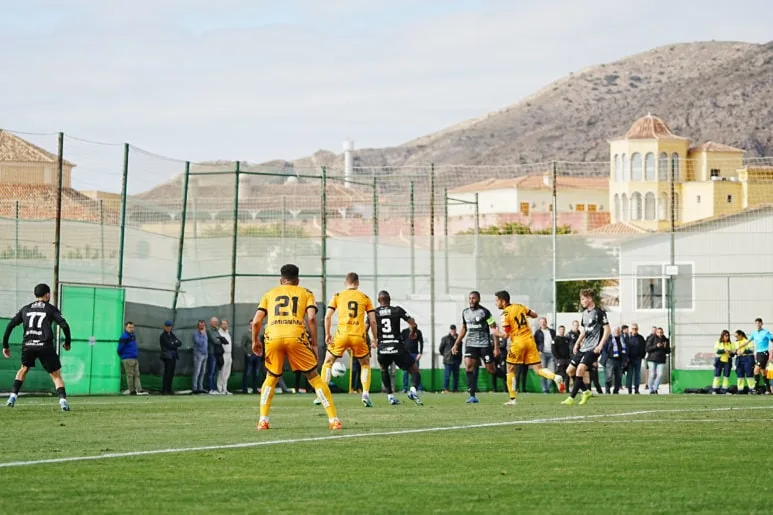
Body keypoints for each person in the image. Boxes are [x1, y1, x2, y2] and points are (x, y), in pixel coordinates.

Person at [251, 263, 340, 430]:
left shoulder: (269, 294)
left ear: (281, 280)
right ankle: (333, 420)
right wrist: (314, 344)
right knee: (314, 377)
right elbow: (312, 319)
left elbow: (256, 321)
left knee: (271, 377)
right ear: (297, 280)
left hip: (273, 336)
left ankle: (263, 420)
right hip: (296, 336)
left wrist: (255, 341)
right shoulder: (306, 293)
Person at [3, 283, 72, 410]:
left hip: (28, 344)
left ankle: (12, 397)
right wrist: (67, 342)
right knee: (56, 375)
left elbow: (10, 325)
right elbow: (65, 325)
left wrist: (5, 345)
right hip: (45, 345)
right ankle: (63, 402)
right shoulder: (50, 309)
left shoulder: (25, 309)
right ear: (47, 295)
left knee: (23, 369)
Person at [494, 290, 563, 406]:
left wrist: (497, 333)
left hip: (517, 342)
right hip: (530, 340)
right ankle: (555, 377)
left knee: (510, 370)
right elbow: (535, 315)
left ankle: (512, 399)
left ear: (503, 301)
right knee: (538, 369)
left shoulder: (505, 314)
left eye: (497, 301)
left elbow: (506, 335)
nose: (496, 304)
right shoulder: (520, 306)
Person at [322, 272, 377, 407]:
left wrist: (327, 334)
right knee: (365, 364)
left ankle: (322, 394)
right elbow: (373, 321)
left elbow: (327, 317)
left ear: (345, 283)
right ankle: (365, 394)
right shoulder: (365, 297)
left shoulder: (338, 296)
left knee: (328, 362)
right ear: (357, 283)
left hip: (341, 335)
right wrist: (375, 338)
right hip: (359, 336)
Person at [372, 290, 423, 406]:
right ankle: (413, 390)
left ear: (379, 301)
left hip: (383, 347)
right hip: (397, 346)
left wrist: (373, 340)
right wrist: (413, 333)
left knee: (384, 369)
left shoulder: (374, 313)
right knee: (414, 370)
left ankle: (390, 397)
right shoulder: (397, 310)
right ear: (389, 300)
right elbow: (413, 325)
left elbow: (366, 327)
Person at [562, 288, 611, 406]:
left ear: (589, 298)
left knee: (580, 370)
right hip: (584, 347)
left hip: (594, 348)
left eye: (583, 299)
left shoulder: (599, 313)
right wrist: (578, 343)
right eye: (581, 299)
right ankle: (586, 391)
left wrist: (600, 345)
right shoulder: (584, 314)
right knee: (569, 371)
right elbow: (583, 331)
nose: (581, 301)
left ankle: (571, 397)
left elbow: (607, 330)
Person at [452, 291, 499, 404]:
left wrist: (496, 347)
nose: (471, 300)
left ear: (478, 299)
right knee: (468, 366)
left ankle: (507, 377)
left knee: (491, 370)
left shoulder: (485, 312)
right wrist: (456, 344)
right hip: (471, 344)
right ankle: (472, 395)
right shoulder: (465, 312)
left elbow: (493, 328)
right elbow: (464, 329)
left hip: (484, 345)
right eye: (470, 298)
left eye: (474, 298)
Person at [118, 321, 143, 395]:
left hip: (134, 357)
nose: (131, 329)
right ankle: (132, 390)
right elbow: (119, 349)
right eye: (129, 327)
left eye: (132, 327)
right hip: (128, 358)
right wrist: (124, 356)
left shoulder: (132, 335)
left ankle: (139, 389)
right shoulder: (124, 337)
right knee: (130, 375)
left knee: (137, 374)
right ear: (126, 327)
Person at [749, 318, 773, 394]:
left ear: (762, 324)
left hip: (764, 353)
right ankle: (768, 390)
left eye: (759, 323)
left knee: (756, 369)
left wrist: (771, 352)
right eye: (756, 323)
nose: (757, 324)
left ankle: (755, 389)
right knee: (763, 371)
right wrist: (739, 348)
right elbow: (747, 342)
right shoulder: (754, 333)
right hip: (758, 354)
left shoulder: (766, 332)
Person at [533, 317, 556, 393]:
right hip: (542, 354)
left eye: (544, 322)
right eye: (541, 322)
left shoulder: (552, 331)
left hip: (551, 354)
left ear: (546, 322)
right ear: (539, 323)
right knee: (543, 372)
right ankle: (545, 389)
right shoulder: (537, 332)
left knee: (551, 372)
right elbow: (534, 343)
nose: (542, 323)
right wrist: (538, 351)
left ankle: (548, 388)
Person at [159, 320, 181, 395]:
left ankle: (169, 389)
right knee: (167, 373)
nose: (169, 328)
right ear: (164, 327)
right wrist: (174, 343)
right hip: (167, 356)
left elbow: (179, 343)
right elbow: (169, 345)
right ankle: (164, 389)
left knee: (171, 373)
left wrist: (174, 343)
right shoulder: (163, 336)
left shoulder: (172, 335)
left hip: (173, 356)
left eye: (170, 326)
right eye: (167, 326)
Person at [645, 327, 670, 394]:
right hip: (652, 359)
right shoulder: (652, 338)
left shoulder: (665, 340)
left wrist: (665, 347)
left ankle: (655, 388)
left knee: (660, 374)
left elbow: (668, 351)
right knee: (652, 374)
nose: (660, 334)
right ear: (656, 332)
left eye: (661, 332)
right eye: (658, 332)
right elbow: (647, 349)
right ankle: (651, 389)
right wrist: (656, 346)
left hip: (661, 360)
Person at [242, 319, 263, 394]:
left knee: (256, 373)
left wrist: (261, 352)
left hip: (257, 355)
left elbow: (260, 344)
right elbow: (243, 345)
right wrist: (247, 353)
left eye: (253, 324)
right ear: (249, 325)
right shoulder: (246, 334)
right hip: (250, 355)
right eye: (251, 324)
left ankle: (255, 389)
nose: (252, 325)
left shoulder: (258, 333)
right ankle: (245, 389)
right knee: (247, 372)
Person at [401, 325, 424, 393]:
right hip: (406, 354)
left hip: (415, 354)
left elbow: (421, 342)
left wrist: (420, 353)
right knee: (405, 372)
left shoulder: (418, 332)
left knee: (416, 371)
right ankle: (405, 388)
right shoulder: (404, 331)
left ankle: (418, 388)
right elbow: (401, 342)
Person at [625, 324, 646, 394]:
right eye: (633, 329)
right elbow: (625, 349)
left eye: (636, 329)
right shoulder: (628, 338)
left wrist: (642, 356)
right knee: (630, 375)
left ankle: (636, 390)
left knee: (637, 375)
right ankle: (629, 390)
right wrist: (627, 358)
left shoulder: (641, 338)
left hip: (638, 359)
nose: (634, 330)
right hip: (630, 360)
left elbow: (644, 347)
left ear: (638, 329)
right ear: (631, 329)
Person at [439, 325, 460, 393]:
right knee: (447, 376)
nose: (453, 331)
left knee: (456, 376)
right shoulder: (445, 338)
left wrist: (460, 358)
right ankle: (445, 389)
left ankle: (455, 389)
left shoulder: (458, 338)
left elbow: (460, 349)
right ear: (450, 330)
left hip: (456, 359)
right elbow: (441, 349)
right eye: (452, 329)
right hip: (448, 360)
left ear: (455, 330)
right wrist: (445, 355)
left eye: (454, 329)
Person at [734, 330, 755, 394]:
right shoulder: (736, 342)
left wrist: (744, 351)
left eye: (737, 336)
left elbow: (752, 350)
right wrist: (736, 352)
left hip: (747, 358)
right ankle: (740, 390)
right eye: (735, 336)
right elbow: (734, 351)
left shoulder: (747, 341)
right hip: (739, 359)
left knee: (749, 375)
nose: (736, 338)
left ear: (741, 335)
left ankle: (751, 389)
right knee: (740, 375)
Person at [191, 320, 208, 394]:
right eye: (201, 325)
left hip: (205, 354)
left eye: (203, 325)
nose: (202, 326)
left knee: (203, 372)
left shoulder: (205, 333)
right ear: (198, 326)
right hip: (198, 354)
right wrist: (202, 334)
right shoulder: (196, 334)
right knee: (197, 371)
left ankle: (200, 387)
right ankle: (194, 388)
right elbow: (199, 342)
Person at [552, 325, 571, 390]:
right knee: (560, 374)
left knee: (568, 374)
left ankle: (567, 389)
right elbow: (553, 350)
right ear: (558, 330)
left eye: (563, 330)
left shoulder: (566, 339)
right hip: (560, 360)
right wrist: (558, 358)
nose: (562, 331)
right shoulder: (555, 339)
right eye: (561, 330)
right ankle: (560, 389)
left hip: (567, 359)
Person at [206, 317, 222, 395]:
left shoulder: (217, 330)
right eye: (215, 322)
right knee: (211, 371)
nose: (216, 323)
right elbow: (214, 340)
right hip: (211, 352)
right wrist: (219, 340)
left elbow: (220, 339)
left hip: (217, 353)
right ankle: (210, 388)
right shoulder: (209, 330)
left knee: (216, 371)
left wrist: (219, 340)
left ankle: (214, 388)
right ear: (211, 322)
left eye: (217, 322)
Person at [217, 319, 233, 395]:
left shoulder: (228, 333)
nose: (224, 325)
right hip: (223, 354)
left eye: (226, 324)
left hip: (229, 354)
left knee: (227, 373)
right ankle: (220, 389)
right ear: (220, 325)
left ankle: (225, 389)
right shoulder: (219, 333)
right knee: (222, 372)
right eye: (223, 324)